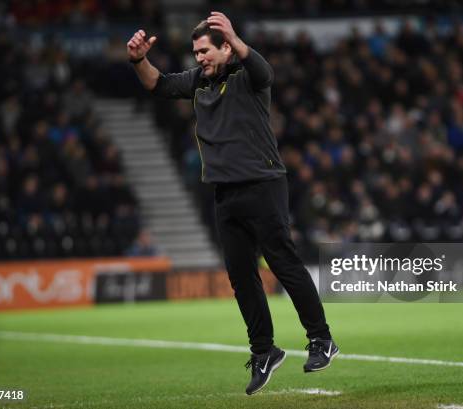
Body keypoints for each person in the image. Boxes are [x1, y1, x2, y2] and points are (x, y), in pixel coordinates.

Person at [127, 12, 338, 395]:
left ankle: (321, 340)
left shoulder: (247, 76)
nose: (199, 58)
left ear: (226, 47)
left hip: (263, 183)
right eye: (195, 52)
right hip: (224, 192)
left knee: (283, 263)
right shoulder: (198, 81)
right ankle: (264, 352)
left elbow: (266, 72)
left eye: (205, 50)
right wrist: (139, 60)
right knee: (241, 277)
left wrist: (237, 38)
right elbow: (157, 84)